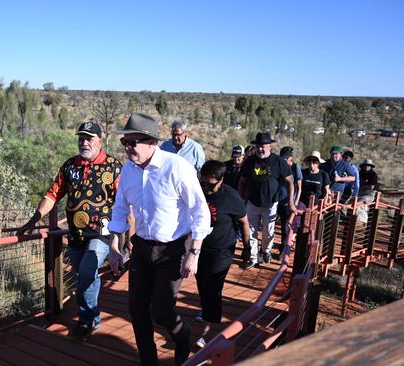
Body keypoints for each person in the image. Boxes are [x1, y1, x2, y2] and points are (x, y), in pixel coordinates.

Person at [107, 112, 210, 366]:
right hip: (141, 247)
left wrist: (193, 253)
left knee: (161, 311)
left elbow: (200, 211)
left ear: (152, 142)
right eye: (125, 143)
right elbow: (120, 208)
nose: (128, 148)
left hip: (173, 249)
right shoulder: (129, 171)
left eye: (133, 142)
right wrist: (114, 246)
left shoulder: (176, 167)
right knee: (137, 310)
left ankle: (183, 336)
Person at [16, 121, 122, 341]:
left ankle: (86, 320)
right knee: (85, 275)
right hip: (75, 234)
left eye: (89, 138)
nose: (84, 142)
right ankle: (92, 316)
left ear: (99, 140)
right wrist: (34, 220)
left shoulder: (113, 167)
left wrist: (120, 241)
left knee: (86, 271)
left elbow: (124, 202)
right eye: (81, 138)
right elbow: (52, 195)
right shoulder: (69, 166)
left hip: (102, 232)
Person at [194, 160, 250, 349]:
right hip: (200, 247)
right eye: (203, 183)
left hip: (222, 250)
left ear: (221, 180)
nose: (206, 188)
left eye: (211, 185)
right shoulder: (198, 190)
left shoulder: (231, 197)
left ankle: (209, 332)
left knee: (213, 287)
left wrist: (247, 249)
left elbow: (244, 222)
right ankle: (207, 311)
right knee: (201, 282)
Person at [238, 132, 295, 269]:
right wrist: (240, 200)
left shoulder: (278, 161)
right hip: (252, 202)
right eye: (258, 146)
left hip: (271, 203)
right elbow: (242, 181)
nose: (261, 149)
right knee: (251, 230)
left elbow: (290, 181)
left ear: (270, 146)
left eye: (263, 146)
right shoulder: (250, 162)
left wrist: (291, 202)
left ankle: (266, 251)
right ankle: (253, 257)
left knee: (268, 231)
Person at [276, 146, 302, 257]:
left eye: (286, 158)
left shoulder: (296, 167)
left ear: (291, 157)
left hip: (289, 202)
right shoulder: (278, 166)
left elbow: (299, 187)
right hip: (277, 200)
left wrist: (295, 202)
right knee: (272, 226)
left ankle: (284, 249)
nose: (284, 160)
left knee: (286, 227)